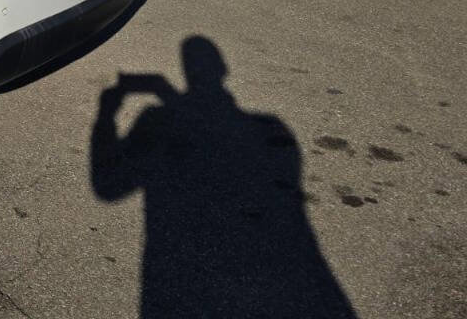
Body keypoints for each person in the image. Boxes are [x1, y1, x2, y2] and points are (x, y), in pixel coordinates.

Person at [90, 36, 356, 319]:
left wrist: (107, 112)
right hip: (291, 276)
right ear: (223, 70)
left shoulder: (156, 117)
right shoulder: (271, 127)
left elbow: (109, 188)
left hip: (182, 275)